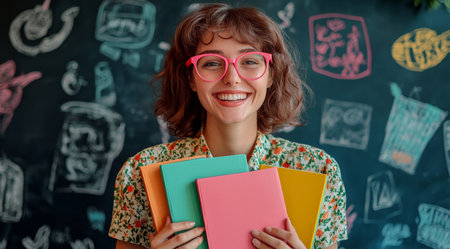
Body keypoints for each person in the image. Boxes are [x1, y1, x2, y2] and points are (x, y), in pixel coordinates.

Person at [108, 3, 347, 249]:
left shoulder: (318, 170)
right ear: (191, 78)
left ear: (271, 75)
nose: (231, 78)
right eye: (212, 63)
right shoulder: (141, 171)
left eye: (250, 61)